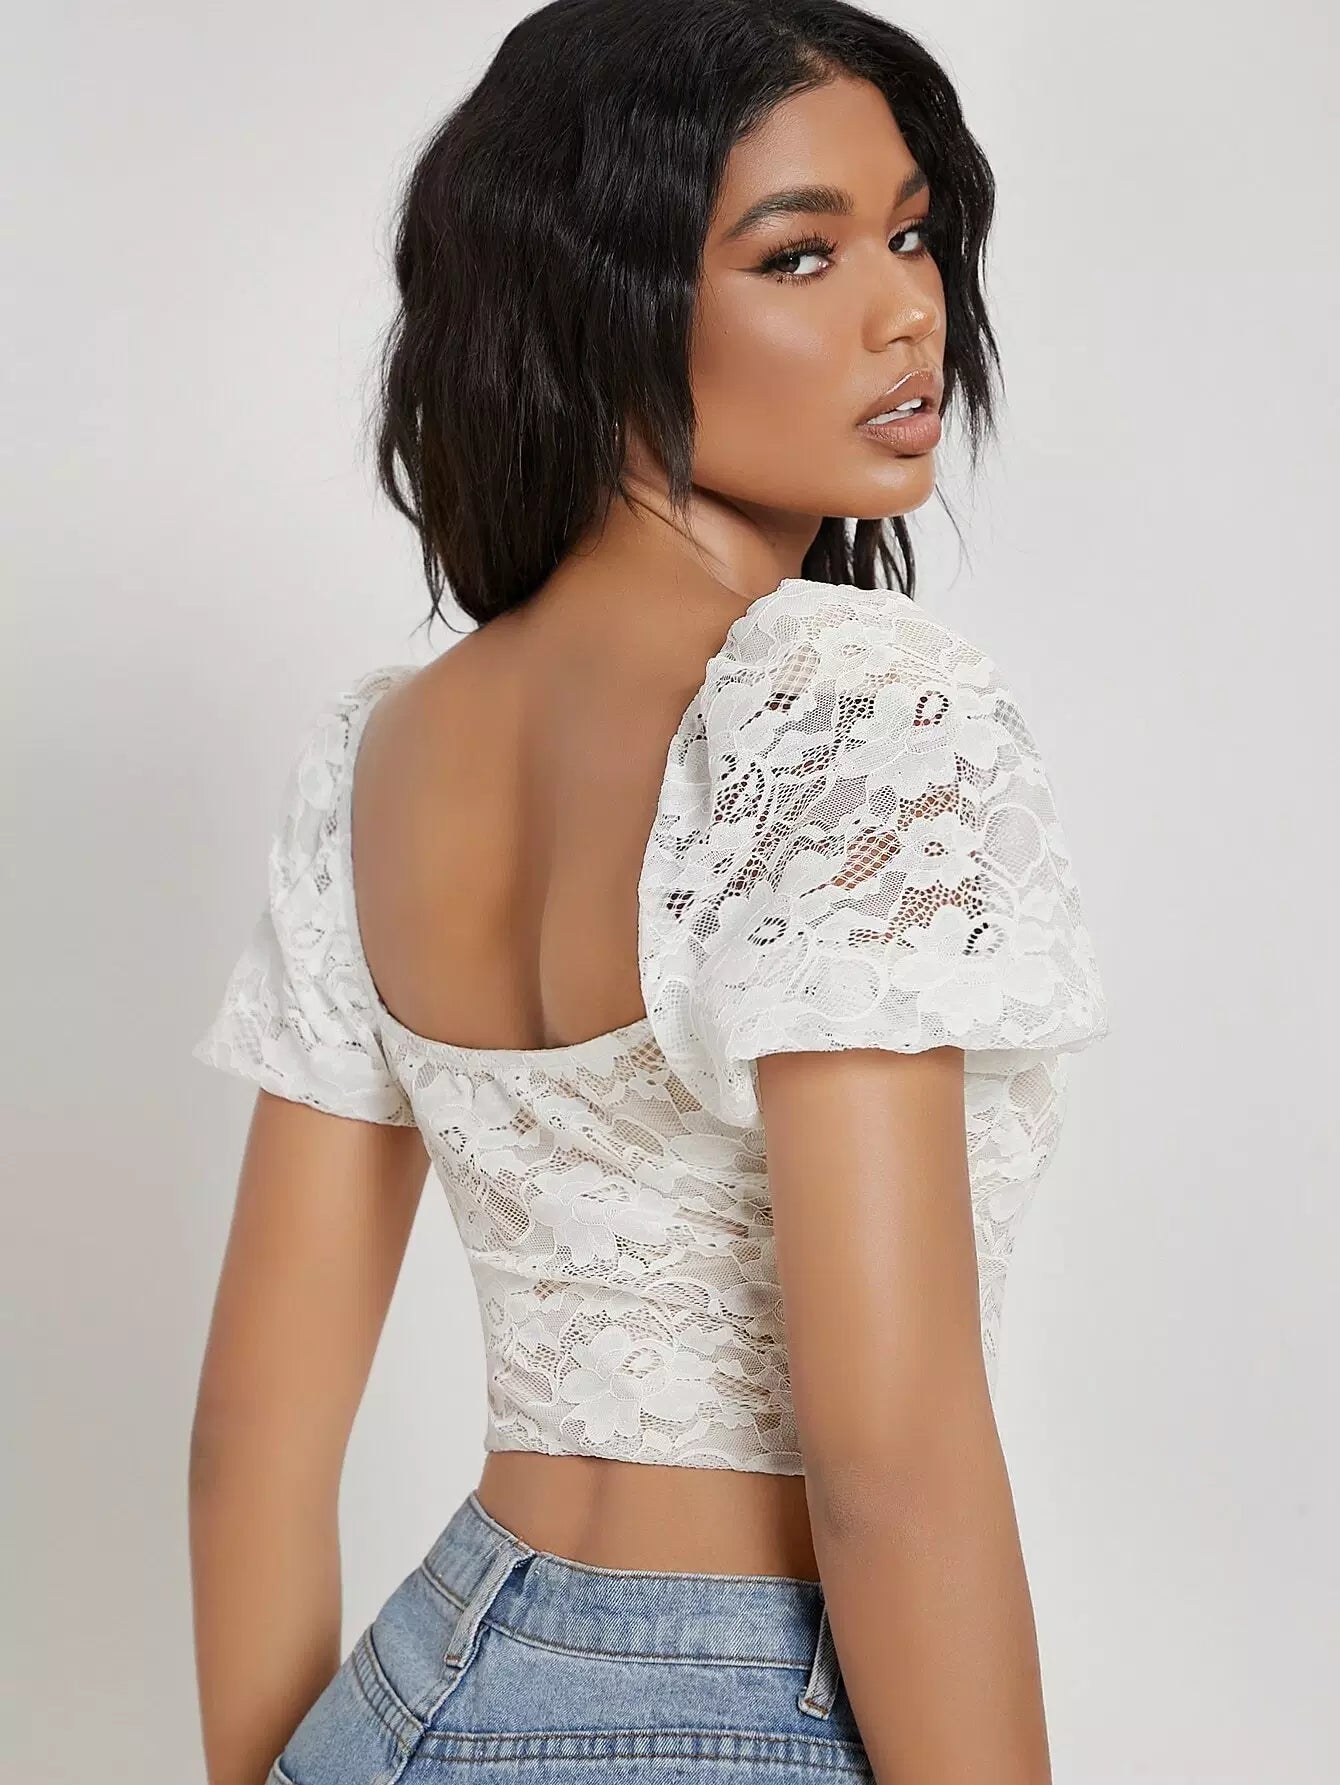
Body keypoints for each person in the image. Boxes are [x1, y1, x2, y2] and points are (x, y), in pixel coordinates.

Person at [188, 2, 1110, 1781]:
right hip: (733, 1709)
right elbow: (889, 1460)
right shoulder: (846, 701)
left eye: (913, 234)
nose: (905, 312)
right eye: (799, 255)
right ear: (597, 308)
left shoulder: (386, 755)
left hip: (402, 1698)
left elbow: (251, 1445)